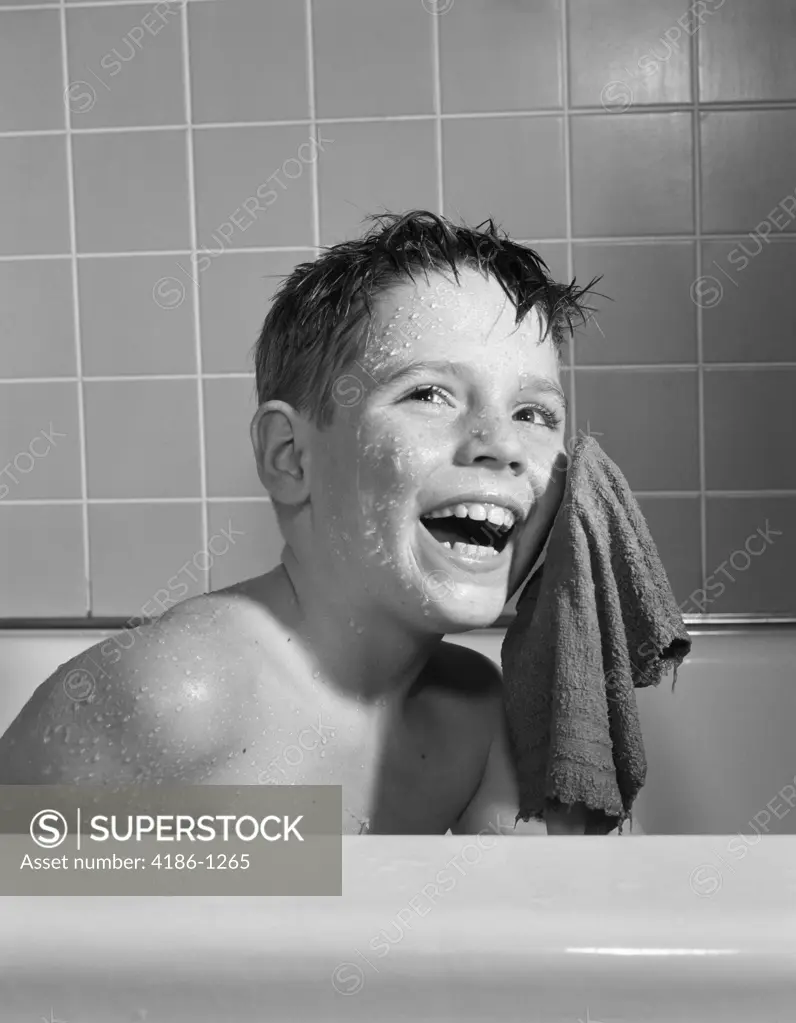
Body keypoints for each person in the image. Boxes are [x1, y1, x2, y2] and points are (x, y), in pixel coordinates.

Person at [0, 210, 611, 835]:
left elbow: (543, 911)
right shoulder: (176, 695)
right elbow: (26, 889)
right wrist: (252, 865)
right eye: (428, 395)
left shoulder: (475, 718)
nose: (502, 445)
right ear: (290, 456)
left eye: (535, 413)